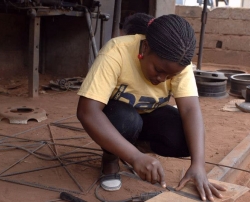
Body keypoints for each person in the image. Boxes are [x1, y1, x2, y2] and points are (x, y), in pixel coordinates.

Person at [77, 13, 225, 201]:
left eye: (170, 76)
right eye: (159, 70)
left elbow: (190, 110)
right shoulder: (117, 51)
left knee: (188, 139)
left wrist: (198, 165)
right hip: (118, 118)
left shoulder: (178, 62)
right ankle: (111, 157)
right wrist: (135, 158)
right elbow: (86, 111)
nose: (161, 79)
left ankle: (134, 147)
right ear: (145, 48)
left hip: (150, 116)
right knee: (125, 120)